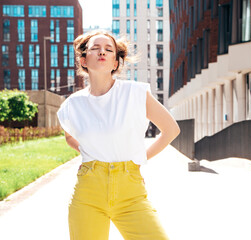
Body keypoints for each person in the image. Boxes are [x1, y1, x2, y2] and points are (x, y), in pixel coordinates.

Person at [57, 30, 180, 240]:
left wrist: (139, 159)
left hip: (130, 192)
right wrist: (87, 152)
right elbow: (69, 136)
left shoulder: (136, 93)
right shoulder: (72, 105)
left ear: (115, 63)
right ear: (84, 60)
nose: (101, 52)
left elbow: (171, 130)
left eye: (108, 49)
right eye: (94, 49)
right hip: (88, 193)